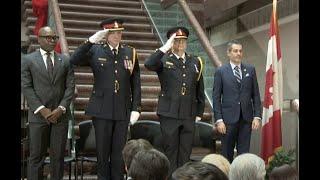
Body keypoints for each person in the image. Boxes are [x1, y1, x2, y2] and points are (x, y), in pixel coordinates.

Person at [69, 17, 141, 180]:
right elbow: (74, 59)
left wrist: (136, 107)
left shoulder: (130, 52)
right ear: (106, 34)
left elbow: (136, 82)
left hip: (122, 109)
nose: (117, 36)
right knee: (102, 154)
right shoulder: (95, 50)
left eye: (119, 32)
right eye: (113, 32)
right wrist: (91, 40)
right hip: (101, 109)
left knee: (119, 154)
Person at [144, 26, 205, 176]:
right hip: (169, 113)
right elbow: (148, 64)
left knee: (185, 151)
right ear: (171, 42)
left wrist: (199, 111)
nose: (180, 44)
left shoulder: (195, 61)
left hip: (188, 113)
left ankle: (183, 178)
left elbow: (199, 89)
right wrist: (165, 48)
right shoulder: (163, 60)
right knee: (171, 151)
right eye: (176, 41)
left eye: (183, 40)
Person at [21, 26, 75, 180]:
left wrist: (61, 108)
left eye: (54, 37)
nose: (52, 40)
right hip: (38, 117)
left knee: (57, 159)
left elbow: (70, 87)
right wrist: (42, 109)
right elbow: (26, 87)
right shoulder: (28, 60)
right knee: (36, 158)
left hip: (60, 117)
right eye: (48, 37)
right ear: (39, 39)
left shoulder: (65, 60)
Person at [212, 40, 262, 162]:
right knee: (227, 154)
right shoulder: (221, 71)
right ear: (228, 53)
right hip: (227, 121)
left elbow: (255, 95)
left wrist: (257, 116)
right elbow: (216, 97)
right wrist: (219, 120)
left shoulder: (250, 70)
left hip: (246, 120)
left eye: (240, 51)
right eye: (235, 51)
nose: (238, 53)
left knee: (244, 155)